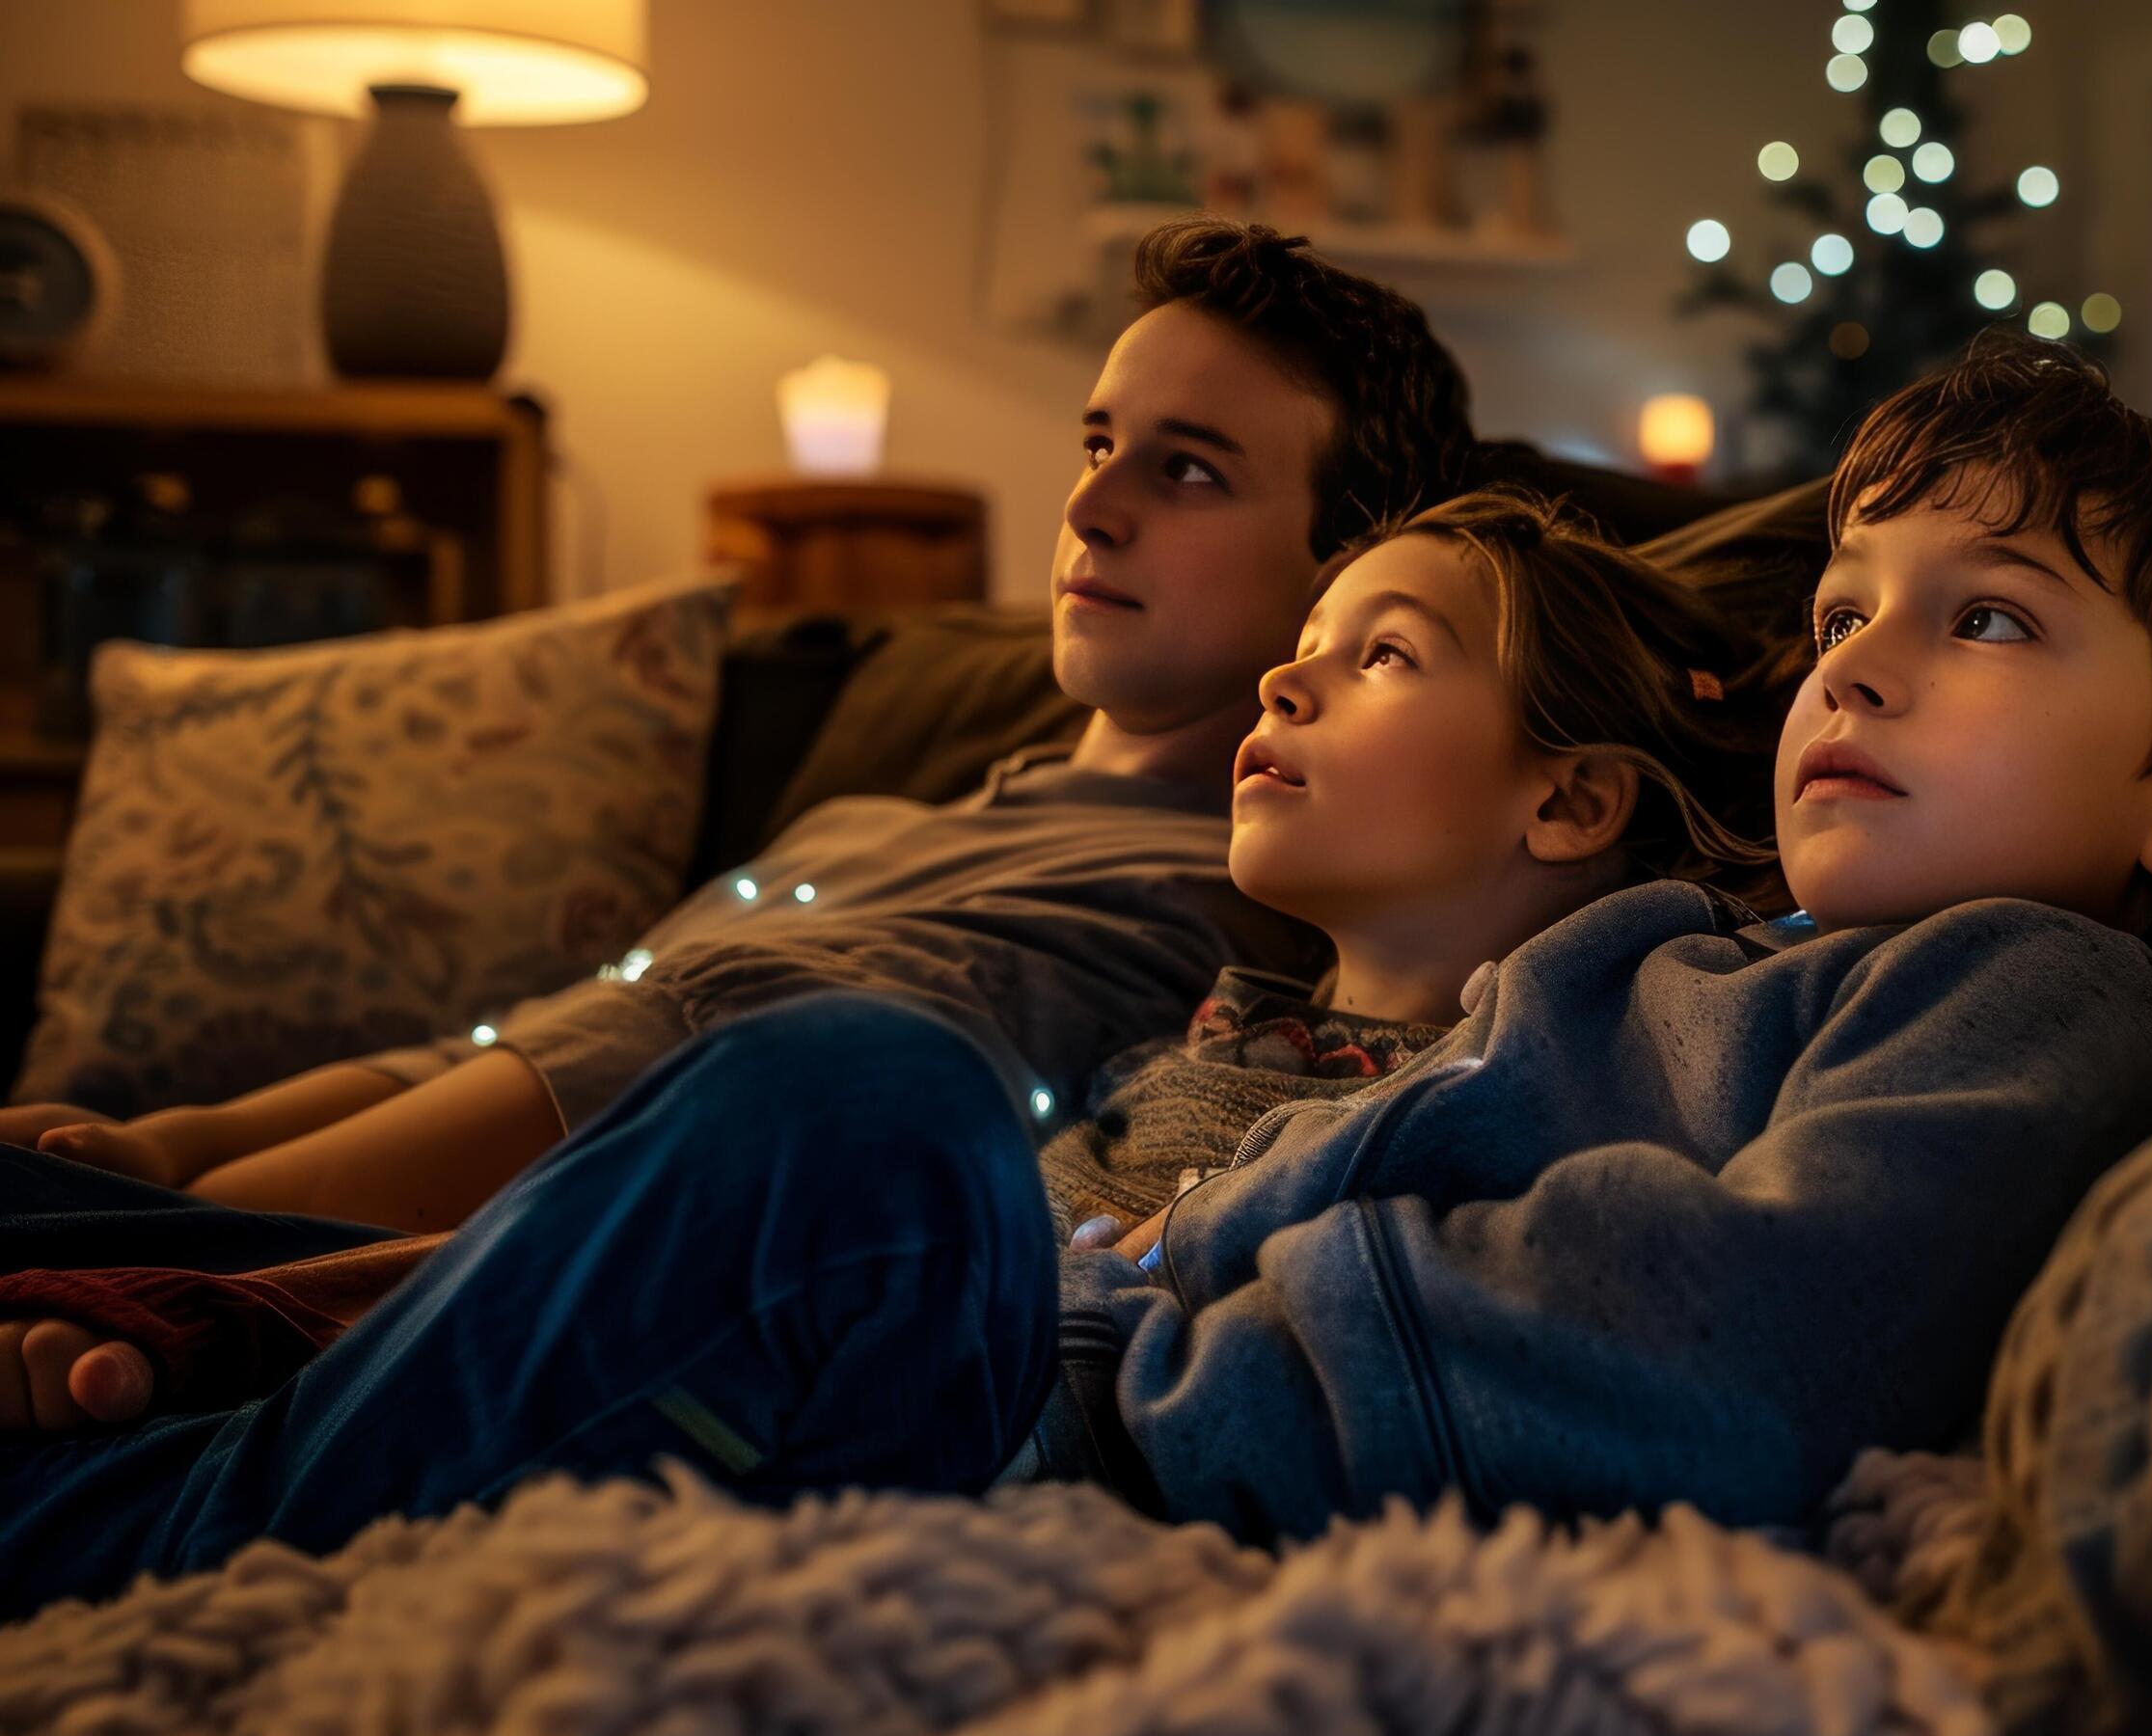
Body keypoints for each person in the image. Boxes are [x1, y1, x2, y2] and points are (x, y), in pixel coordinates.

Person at [0, 488, 1801, 1612]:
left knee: (875, 1092)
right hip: (825, 1362)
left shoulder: (1573, 1051)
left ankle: (143, 1513)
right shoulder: (1216, 1023)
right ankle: (158, 1381)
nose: (1284, 681)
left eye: (1381, 656)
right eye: (1302, 647)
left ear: (1568, 797)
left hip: (1006, 1427)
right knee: (63, 1197)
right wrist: (263, 1287)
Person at [0, 217, 1478, 1430]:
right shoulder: (883, 820)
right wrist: (164, 1146)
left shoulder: (1182, 909)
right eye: (1099, 442)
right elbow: (562, 1025)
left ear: (1341, 575)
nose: (1092, 505)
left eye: (1189, 470)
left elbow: (672, 1071)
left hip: (384, 1288)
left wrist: (172, 1218)